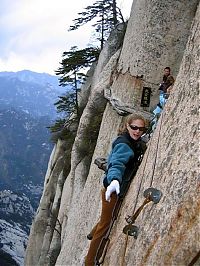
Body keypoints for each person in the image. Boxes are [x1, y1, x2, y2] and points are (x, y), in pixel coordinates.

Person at [85, 114, 147, 266]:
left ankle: (91, 234)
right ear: (127, 126)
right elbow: (117, 163)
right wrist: (114, 180)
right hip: (113, 190)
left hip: (115, 188)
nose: (137, 131)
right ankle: (90, 262)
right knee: (105, 226)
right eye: (134, 127)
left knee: (107, 216)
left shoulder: (132, 141)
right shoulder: (125, 145)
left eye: (141, 129)